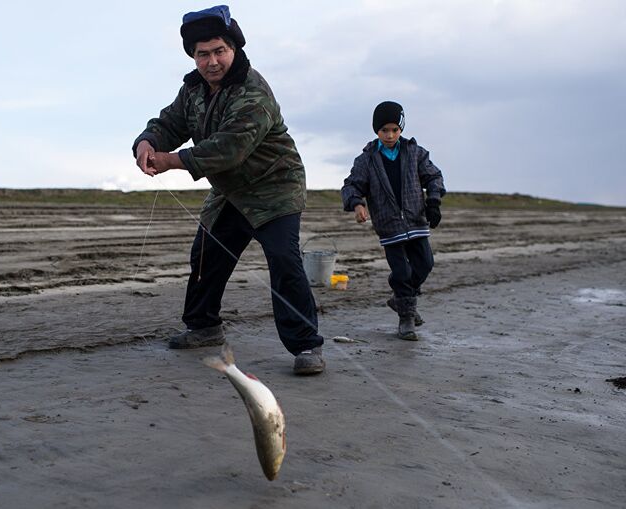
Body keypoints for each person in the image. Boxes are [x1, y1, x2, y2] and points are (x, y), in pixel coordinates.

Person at [132, 5, 324, 375]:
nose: (212, 61)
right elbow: (168, 123)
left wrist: (169, 160)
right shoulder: (192, 89)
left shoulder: (254, 91)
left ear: (233, 49)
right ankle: (204, 327)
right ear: (193, 56)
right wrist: (146, 142)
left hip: (275, 187)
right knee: (205, 256)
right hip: (229, 192)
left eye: (219, 50)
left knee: (285, 263)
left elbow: (228, 148)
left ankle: (307, 346)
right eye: (202, 54)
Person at [341, 101, 446, 340]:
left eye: (394, 130)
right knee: (401, 272)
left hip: (416, 221)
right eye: (383, 130)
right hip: (389, 226)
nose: (389, 135)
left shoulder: (415, 152)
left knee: (425, 264)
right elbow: (352, 185)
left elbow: (434, 176)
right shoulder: (367, 159)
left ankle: (400, 299)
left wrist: (434, 201)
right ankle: (406, 319)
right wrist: (357, 204)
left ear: (401, 129)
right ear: (376, 131)